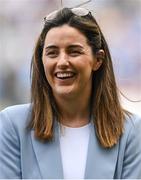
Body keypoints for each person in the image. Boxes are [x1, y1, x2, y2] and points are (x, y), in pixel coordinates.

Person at [0, 7, 141, 179]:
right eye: (52, 53)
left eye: (74, 51)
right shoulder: (12, 126)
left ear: (98, 60)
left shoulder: (132, 131)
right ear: (41, 60)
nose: (62, 62)